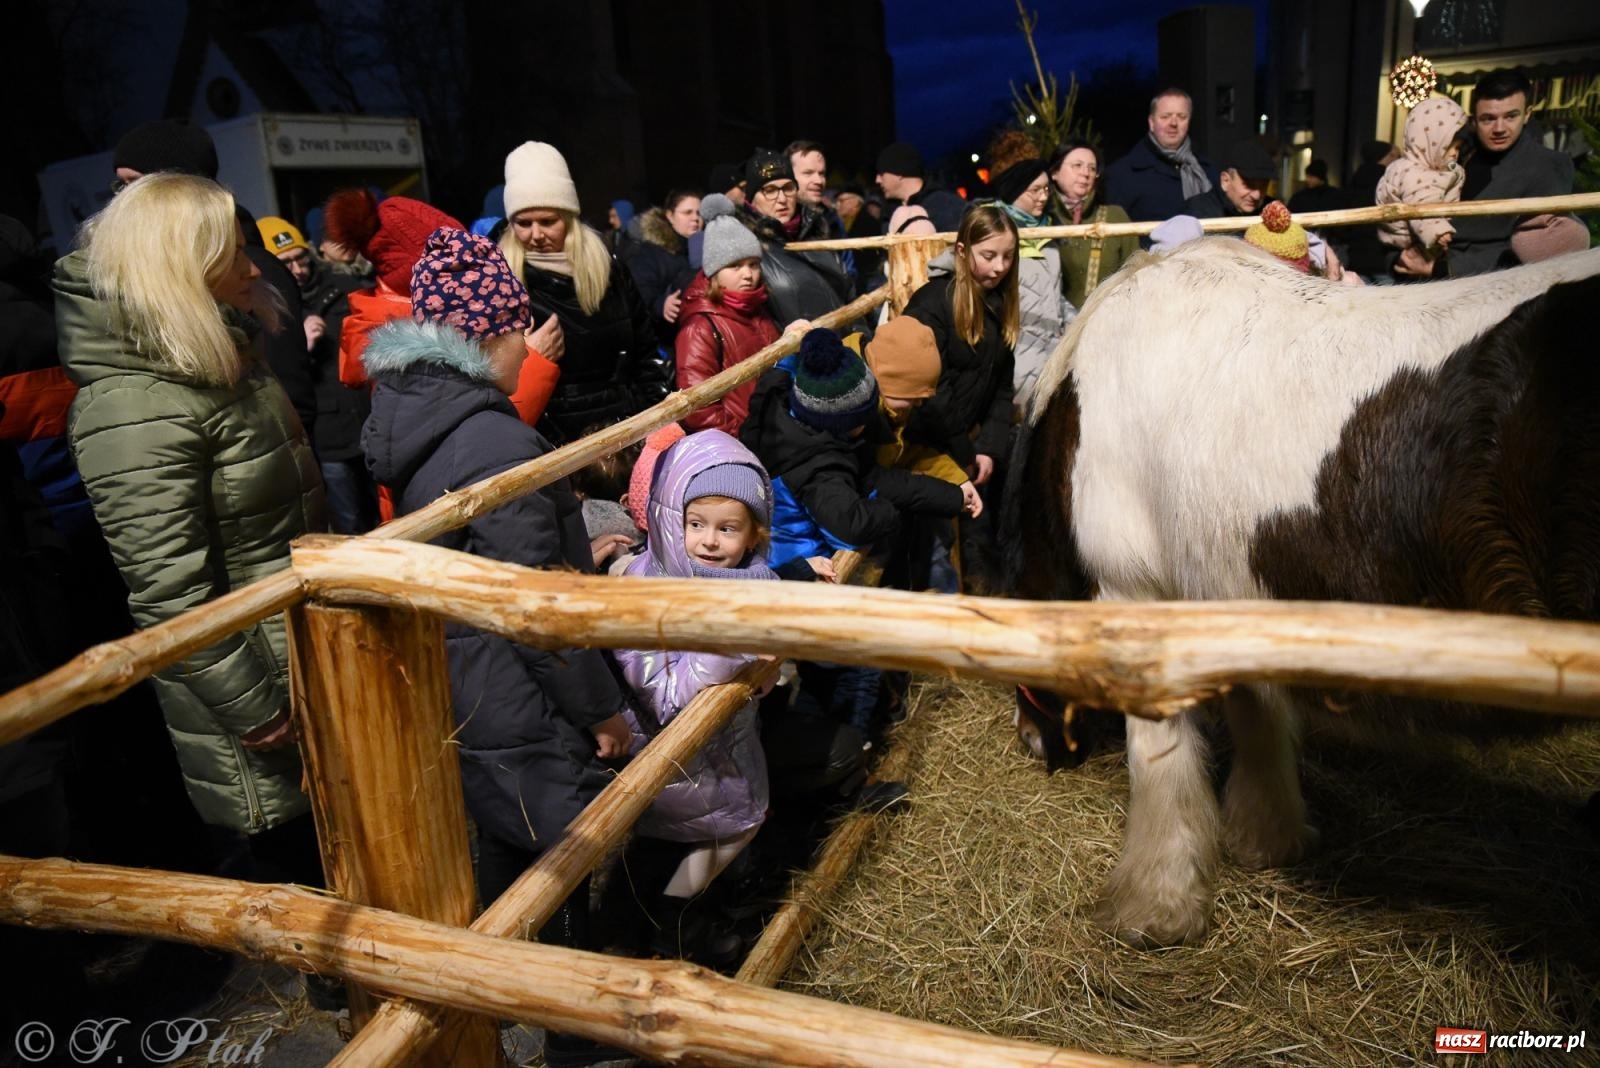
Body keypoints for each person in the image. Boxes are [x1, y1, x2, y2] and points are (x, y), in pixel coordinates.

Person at [360, 226, 632, 1066]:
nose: (531, 346)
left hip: (469, 684)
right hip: (526, 696)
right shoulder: (494, 442)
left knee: (513, 853)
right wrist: (603, 709)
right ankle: (585, 1039)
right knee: (573, 861)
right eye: (521, 329)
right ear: (488, 335)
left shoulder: (419, 424)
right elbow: (535, 606)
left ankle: (534, 1011)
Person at [55, 172, 325, 883]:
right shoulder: (133, 406)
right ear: (181, 264)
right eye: (233, 252)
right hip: (258, 687)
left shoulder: (220, 356)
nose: (251, 267)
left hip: (297, 657)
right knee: (304, 893)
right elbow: (170, 590)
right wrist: (256, 708)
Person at [613, 429, 780, 963]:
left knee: (736, 829)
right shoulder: (647, 594)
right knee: (715, 837)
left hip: (721, 753)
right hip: (671, 759)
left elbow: (767, 663)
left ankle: (678, 922)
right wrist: (731, 653)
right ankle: (671, 930)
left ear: (753, 535)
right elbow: (662, 696)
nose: (709, 541)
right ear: (670, 520)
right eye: (695, 524)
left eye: (727, 528)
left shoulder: (753, 581)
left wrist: (767, 671)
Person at [500, 141, 669, 444]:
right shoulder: (501, 284)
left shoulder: (609, 268)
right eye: (523, 223)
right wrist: (531, 360)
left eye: (548, 221)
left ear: (568, 217)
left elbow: (645, 355)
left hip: (628, 435)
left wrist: (659, 423)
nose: (536, 235)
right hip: (555, 450)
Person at [901, 205, 1020, 592]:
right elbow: (932, 392)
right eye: (989, 255)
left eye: (1007, 256)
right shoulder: (932, 303)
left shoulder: (999, 303)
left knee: (975, 541)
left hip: (967, 447)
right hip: (923, 449)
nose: (999, 266)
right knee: (933, 551)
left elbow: (1002, 385)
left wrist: (988, 447)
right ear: (963, 251)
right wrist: (963, 452)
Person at [258, 215, 378, 533]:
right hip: (327, 438)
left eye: (301, 258)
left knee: (388, 516)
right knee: (349, 526)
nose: (298, 269)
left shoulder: (345, 290)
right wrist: (300, 345)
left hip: (369, 423)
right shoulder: (270, 309)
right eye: (286, 263)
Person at [1396, 70, 1576, 279]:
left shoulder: (1548, 164)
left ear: (1527, 114)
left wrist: (1444, 269)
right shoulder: (1454, 151)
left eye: (1510, 116)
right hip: (1423, 282)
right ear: (1474, 120)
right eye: (1488, 119)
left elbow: (1537, 245)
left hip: (1491, 289)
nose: (1499, 128)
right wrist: (1397, 258)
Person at [676, 195, 794, 435]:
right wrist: (742, 435)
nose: (748, 274)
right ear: (714, 273)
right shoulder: (700, 327)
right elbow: (698, 408)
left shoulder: (759, 310)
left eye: (753, 264)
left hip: (775, 432)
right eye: (735, 266)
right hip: (744, 441)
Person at [981, 132, 1072, 408]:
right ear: (1014, 191)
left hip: (1052, 356)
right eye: (1035, 190)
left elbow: (1054, 294)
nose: (1043, 197)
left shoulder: (1047, 232)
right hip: (1014, 360)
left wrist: (1078, 323)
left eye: (1047, 189)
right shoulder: (991, 231)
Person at [735, 148, 854, 325]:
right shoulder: (746, 248)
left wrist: (862, 338)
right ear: (752, 198)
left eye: (788, 188)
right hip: (797, 350)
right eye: (770, 190)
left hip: (845, 347)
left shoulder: (817, 230)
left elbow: (849, 295)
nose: (782, 198)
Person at [1375, 96, 1469, 262]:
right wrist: (1438, 231)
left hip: (1411, 241)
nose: (1455, 153)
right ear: (1429, 142)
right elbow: (1421, 208)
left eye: (1458, 147)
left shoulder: (1427, 167)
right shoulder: (1417, 174)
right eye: (1448, 146)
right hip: (1414, 241)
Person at [1105, 88, 1218, 224]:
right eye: (1165, 116)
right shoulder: (1122, 174)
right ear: (1151, 123)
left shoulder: (1207, 171)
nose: (1173, 123)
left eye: (1181, 117)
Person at [1048, 139, 1139, 310]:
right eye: (1077, 165)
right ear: (1054, 172)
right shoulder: (1041, 218)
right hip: (1051, 326)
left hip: (1106, 322)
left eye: (1092, 168)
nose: (1085, 173)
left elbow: (1134, 274)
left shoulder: (1115, 216)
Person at [624, 190, 701, 346]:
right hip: (670, 341)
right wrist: (661, 304)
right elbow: (639, 297)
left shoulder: (705, 247)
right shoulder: (649, 253)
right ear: (670, 216)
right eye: (687, 212)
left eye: (699, 213)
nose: (695, 218)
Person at [875, 140, 967, 233]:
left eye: (882, 174)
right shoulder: (889, 211)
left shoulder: (945, 206)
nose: (877, 180)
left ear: (899, 173)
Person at [1183, 138, 1275, 220]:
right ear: (1225, 181)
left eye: (1263, 186)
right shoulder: (1198, 214)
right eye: (1249, 185)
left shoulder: (1272, 210)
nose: (1257, 195)